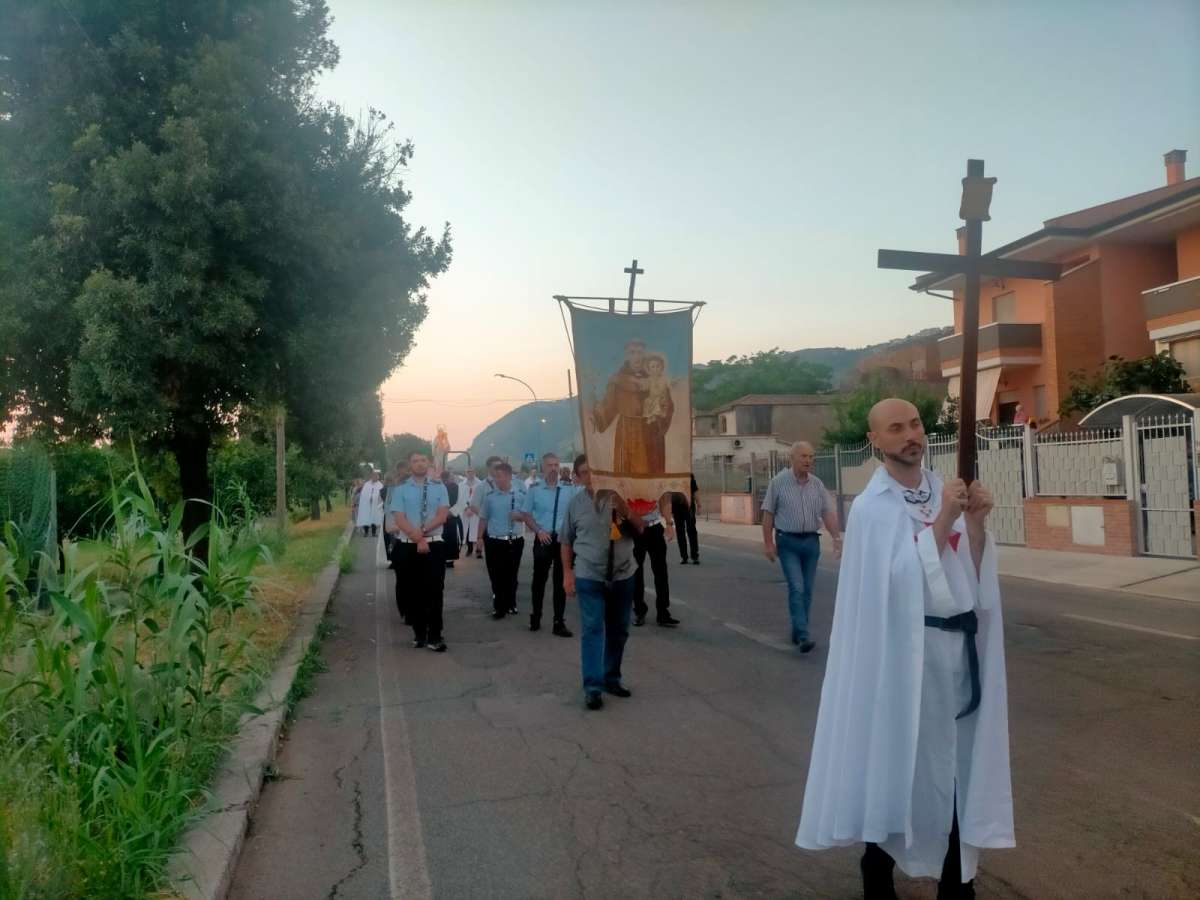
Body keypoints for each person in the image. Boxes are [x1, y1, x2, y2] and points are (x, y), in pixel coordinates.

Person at [795, 399, 1011, 900]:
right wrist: (945, 521)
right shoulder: (872, 508)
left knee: (956, 765)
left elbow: (971, 575)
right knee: (898, 761)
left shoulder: (948, 490)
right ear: (876, 441)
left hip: (956, 653)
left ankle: (958, 881)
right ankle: (877, 865)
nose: (911, 434)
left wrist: (975, 524)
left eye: (915, 424)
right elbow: (893, 588)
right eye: (896, 428)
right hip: (901, 659)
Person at [561, 454, 645, 710]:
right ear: (577, 477)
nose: (590, 476)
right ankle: (593, 687)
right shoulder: (575, 505)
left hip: (623, 574)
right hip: (589, 575)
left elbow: (641, 527)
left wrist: (625, 509)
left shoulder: (622, 496)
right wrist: (567, 573)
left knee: (619, 631)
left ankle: (612, 678)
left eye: (593, 470)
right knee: (593, 629)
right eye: (584, 472)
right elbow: (566, 541)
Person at [761, 442, 841, 652]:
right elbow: (768, 514)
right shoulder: (778, 483)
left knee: (807, 590)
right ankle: (803, 635)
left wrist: (836, 537)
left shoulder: (817, 484)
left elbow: (827, 512)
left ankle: (798, 630)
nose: (808, 460)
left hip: (811, 543)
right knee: (797, 587)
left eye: (811, 456)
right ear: (792, 458)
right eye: (804, 456)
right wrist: (768, 543)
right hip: (788, 542)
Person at [387, 451, 451, 652]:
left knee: (435, 591)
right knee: (413, 591)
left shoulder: (440, 487)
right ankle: (419, 634)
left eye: (423, 460)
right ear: (410, 465)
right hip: (408, 545)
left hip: (434, 545)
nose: (420, 464)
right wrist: (417, 538)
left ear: (428, 463)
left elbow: (442, 516)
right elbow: (399, 518)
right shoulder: (401, 490)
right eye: (415, 461)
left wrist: (421, 534)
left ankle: (435, 636)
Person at [592, 339, 673, 476]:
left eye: (640, 352)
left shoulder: (656, 378)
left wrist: (660, 415)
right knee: (627, 473)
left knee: (652, 471)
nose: (636, 356)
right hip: (627, 432)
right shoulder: (617, 379)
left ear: (644, 354)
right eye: (632, 352)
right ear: (627, 355)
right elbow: (608, 406)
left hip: (651, 431)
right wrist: (596, 416)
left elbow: (667, 404)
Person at [520, 452, 576, 637]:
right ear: (542, 467)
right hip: (543, 538)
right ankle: (535, 616)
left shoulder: (568, 489)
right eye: (550, 465)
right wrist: (538, 531)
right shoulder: (534, 489)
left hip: (562, 540)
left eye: (556, 465)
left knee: (560, 580)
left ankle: (559, 622)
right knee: (539, 580)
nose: (553, 468)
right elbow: (526, 514)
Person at [478, 462, 526, 620]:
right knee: (495, 574)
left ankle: (511, 602)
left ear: (509, 476)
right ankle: (499, 606)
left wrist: (519, 516)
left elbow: (529, 516)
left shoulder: (520, 496)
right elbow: (483, 518)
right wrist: (479, 538)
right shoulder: (490, 497)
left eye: (499, 476)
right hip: (494, 541)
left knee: (511, 574)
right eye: (495, 477)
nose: (496, 480)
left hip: (514, 540)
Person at [632, 495, 680, 628]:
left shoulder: (656, 483)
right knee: (636, 571)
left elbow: (664, 499)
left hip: (655, 528)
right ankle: (639, 611)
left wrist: (669, 524)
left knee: (661, 572)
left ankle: (663, 613)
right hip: (635, 529)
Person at [671, 473, 701, 565]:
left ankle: (694, 556)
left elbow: (695, 491)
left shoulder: (688, 475)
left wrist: (699, 504)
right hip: (676, 506)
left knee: (691, 530)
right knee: (680, 531)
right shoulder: (671, 476)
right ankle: (684, 556)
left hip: (689, 506)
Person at [441, 468, 463, 568]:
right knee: (443, 538)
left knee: (451, 538)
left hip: (451, 517)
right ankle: (444, 559)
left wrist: (450, 512)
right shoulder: (439, 487)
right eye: (451, 476)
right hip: (441, 517)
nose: (453, 478)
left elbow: (459, 502)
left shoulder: (456, 487)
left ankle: (449, 560)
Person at [355, 470, 385, 537]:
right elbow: (363, 494)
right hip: (367, 505)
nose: (375, 477)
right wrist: (369, 498)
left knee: (374, 519)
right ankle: (366, 532)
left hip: (376, 505)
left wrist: (374, 498)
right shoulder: (367, 484)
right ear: (372, 476)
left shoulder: (380, 485)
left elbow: (381, 494)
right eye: (374, 476)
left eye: (377, 476)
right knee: (366, 518)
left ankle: (374, 533)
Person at [462, 468, 484, 557]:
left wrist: (474, 508)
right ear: (466, 473)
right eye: (468, 472)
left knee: (478, 532)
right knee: (467, 531)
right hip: (466, 511)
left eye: (471, 472)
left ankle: (479, 550)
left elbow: (482, 499)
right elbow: (460, 499)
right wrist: (466, 508)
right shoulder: (461, 485)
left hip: (477, 511)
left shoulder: (480, 484)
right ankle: (470, 549)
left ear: (474, 472)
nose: (470, 473)